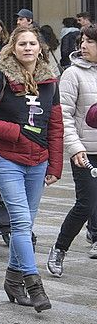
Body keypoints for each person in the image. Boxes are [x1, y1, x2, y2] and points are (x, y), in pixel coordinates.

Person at [0, 25, 62, 312]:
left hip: (38, 162)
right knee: (20, 223)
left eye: (32, 43)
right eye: (22, 44)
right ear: (12, 48)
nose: (28, 48)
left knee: (25, 224)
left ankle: (13, 279)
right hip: (6, 157)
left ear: (40, 48)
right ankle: (33, 283)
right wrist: (15, 131)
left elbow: (55, 126)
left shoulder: (50, 81)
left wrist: (55, 164)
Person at [47, 24, 97, 276]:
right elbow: (63, 116)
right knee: (86, 204)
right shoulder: (72, 74)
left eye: (90, 41)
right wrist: (75, 148)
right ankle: (59, 248)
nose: (84, 46)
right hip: (86, 152)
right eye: (83, 41)